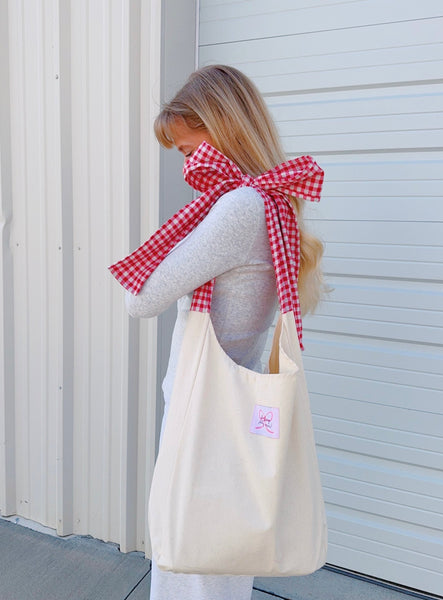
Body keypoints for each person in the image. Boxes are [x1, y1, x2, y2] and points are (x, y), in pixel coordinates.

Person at [121, 64, 325, 600]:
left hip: (206, 412)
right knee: (224, 556)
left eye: (189, 151)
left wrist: (188, 229)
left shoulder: (238, 207)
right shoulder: (272, 203)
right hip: (235, 403)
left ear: (224, 128)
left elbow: (139, 298)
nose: (189, 167)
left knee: (192, 561)